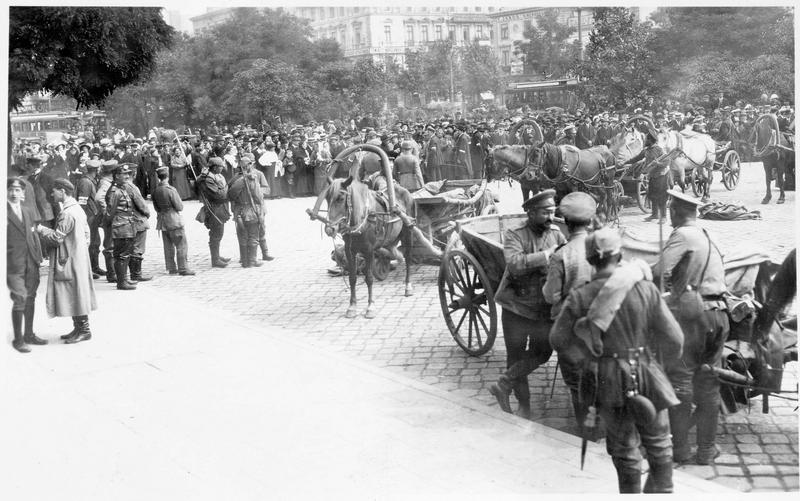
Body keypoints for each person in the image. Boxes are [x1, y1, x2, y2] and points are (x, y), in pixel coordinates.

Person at [550, 228, 683, 493]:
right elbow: (676, 339)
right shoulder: (646, 289)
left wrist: (588, 361)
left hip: (607, 378)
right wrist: (658, 367)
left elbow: (558, 340)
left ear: (590, 261)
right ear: (620, 254)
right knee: (659, 444)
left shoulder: (580, 296)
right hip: (647, 371)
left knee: (624, 450)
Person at [652, 189, 729, 465]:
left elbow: (659, 270)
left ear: (674, 211)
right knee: (709, 383)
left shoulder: (682, 235)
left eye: (670, 210)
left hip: (694, 317)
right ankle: (707, 450)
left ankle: (681, 450)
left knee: (681, 381)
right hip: (720, 315)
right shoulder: (708, 234)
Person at [489, 190, 566, 419]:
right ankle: (525, 405)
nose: (551, 217)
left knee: (543, 352)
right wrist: (547, 255)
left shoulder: (556, 234)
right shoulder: (515, 233)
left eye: (552, 212)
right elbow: (514, 264)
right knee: (516, 354)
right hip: (516, 306)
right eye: (545, 213)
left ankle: (504, 383)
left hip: (542, 307)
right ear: (531, 213)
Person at [541, 191, 596, 428]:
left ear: (567, 224)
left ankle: (587, 431)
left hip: (571, 328)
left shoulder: (561, 255)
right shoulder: (603, 249)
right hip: (600, 326)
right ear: (590, 222)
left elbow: (550, 295)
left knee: (577, 383)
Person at [36, 179, 98, 344]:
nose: (51, 194)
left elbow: (57, 238)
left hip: (69, 259)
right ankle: (79, 328)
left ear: (62, 191)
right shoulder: (77, 208)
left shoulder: (66, 213)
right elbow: (87, 234)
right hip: (78, 257)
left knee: (74, 292)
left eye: (54, 191)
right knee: (76, 291)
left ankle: (84, 330)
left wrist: (41, 230)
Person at [7, 178, 45, 353]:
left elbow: (33, 235)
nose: (14, 193)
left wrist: (37, 258)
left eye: (17, 190)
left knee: (30, 297)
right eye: (11, 189)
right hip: (13, 263)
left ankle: (29, 334)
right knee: (20, 298)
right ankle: (18, 339)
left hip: (31, 262)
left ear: (23, 194)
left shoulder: (27, 211)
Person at [105, 164, 148, 290]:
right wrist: (111, 226)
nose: (127, 176)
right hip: (121, 226)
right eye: (124, 174)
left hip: (126, 225)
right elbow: (110, 213)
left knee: (124, 254)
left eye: (128, 173)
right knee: (122, 255)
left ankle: (123, 279)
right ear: (117, 175)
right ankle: (122, 282)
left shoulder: (121, 188)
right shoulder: (114, 191)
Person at [152, 166, 195, 276]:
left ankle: (171, 268)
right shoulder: (171, 190)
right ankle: (183, 268)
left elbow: (156, 208)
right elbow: (180, 207)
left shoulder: (155, 190)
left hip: (162, 220)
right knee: (181, 244)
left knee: (168, 246)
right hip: (174, 220)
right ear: (167, 176)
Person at [228, 153, 266, 268]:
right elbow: (258, 196)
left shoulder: (234, 179)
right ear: (249, 166)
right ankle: (252, 261)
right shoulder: (251, 179)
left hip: (239, 211)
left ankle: (244, 261)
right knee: (253, 235)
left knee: (242, 236)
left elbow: (230, 195)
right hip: (251, 210)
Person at [623, 128, 669, 222]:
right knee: (652, 194)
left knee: (661, 196)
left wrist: (658, 164)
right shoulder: (646, 150)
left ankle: (663, 217)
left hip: (662, 175)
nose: (645, 141)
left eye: (646, 139)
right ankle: (655, 214)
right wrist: (625, 163)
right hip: (652, 175)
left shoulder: (659, 149)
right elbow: (636, 158)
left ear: (650, 140)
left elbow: (667, 161)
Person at [196, 157, 232, 268]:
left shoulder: (218, 176)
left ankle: (217, 256)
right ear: (215, 167)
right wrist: (227, 188)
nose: (222, 168)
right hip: (215, 208)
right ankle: (215, 259)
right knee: (216, 234)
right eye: (221, 167)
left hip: (221, 208)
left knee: (219, 233)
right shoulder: (209, 179)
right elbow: (218, 195)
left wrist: (225, 189)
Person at [75, 159, 104, 278]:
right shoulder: (86, 182)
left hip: (93, 217)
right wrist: (84, 219)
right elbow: (82, 201)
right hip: (89, 217)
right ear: (96, 170)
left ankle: (95, 267)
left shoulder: (91, 180)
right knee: (90, 243)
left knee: (95, 242)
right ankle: (89, 270)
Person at [95, 159, 118, 283]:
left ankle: (113, 272)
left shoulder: (107, 181)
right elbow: (99, 198)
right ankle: (112, 273)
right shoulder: (106, 183)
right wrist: (107, 211)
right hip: (108, 218)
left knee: (111, 244)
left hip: (108, 217)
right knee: (110, 245)